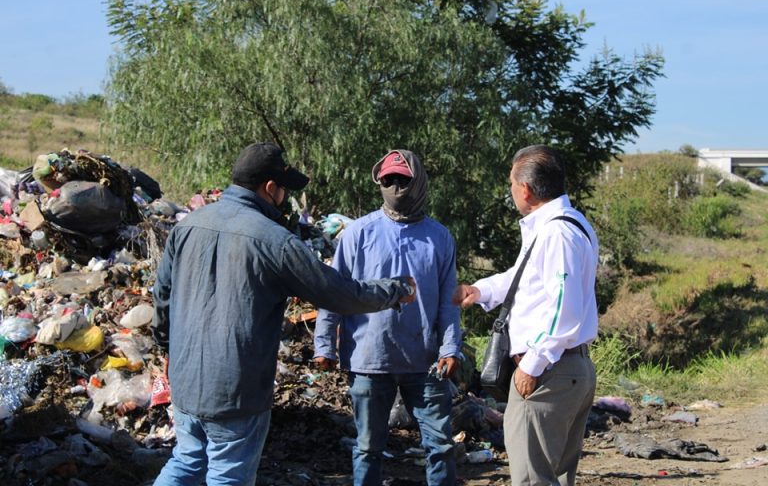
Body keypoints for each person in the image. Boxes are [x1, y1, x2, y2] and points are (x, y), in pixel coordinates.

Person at [151, 142, 416, 486]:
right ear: (270, 188)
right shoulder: (275, 241)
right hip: (236, 389)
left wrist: (167, 347)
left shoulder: (188, 226)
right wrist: (395, 289)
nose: (285, 199)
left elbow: (163, 298)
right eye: (284, 190)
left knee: (186, 461)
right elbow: (338, 293)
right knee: (227, 475)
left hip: (186, 380)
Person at [452, 144, 599, 486]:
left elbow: (565, 307)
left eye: (511, 183)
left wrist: (533, 366)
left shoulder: (556, 233)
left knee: (533, 479)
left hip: (549, 372)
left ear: (527, 189)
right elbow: (523, 277)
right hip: (566, 369)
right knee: (555, 477)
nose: (511, 191)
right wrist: (481, 290)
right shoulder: (566, 224)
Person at [314, 150, 461, 486]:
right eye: (388, 180)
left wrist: (450, 348)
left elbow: (449, 301)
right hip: (369, 358)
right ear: (379, 183)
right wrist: (325, 345)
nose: (396, 187)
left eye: (403, 180)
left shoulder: (439, 237)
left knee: (439, 446)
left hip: (425, 361)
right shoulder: (358, 234)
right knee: (367, 448)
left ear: (419, 182)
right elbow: (334, 291)